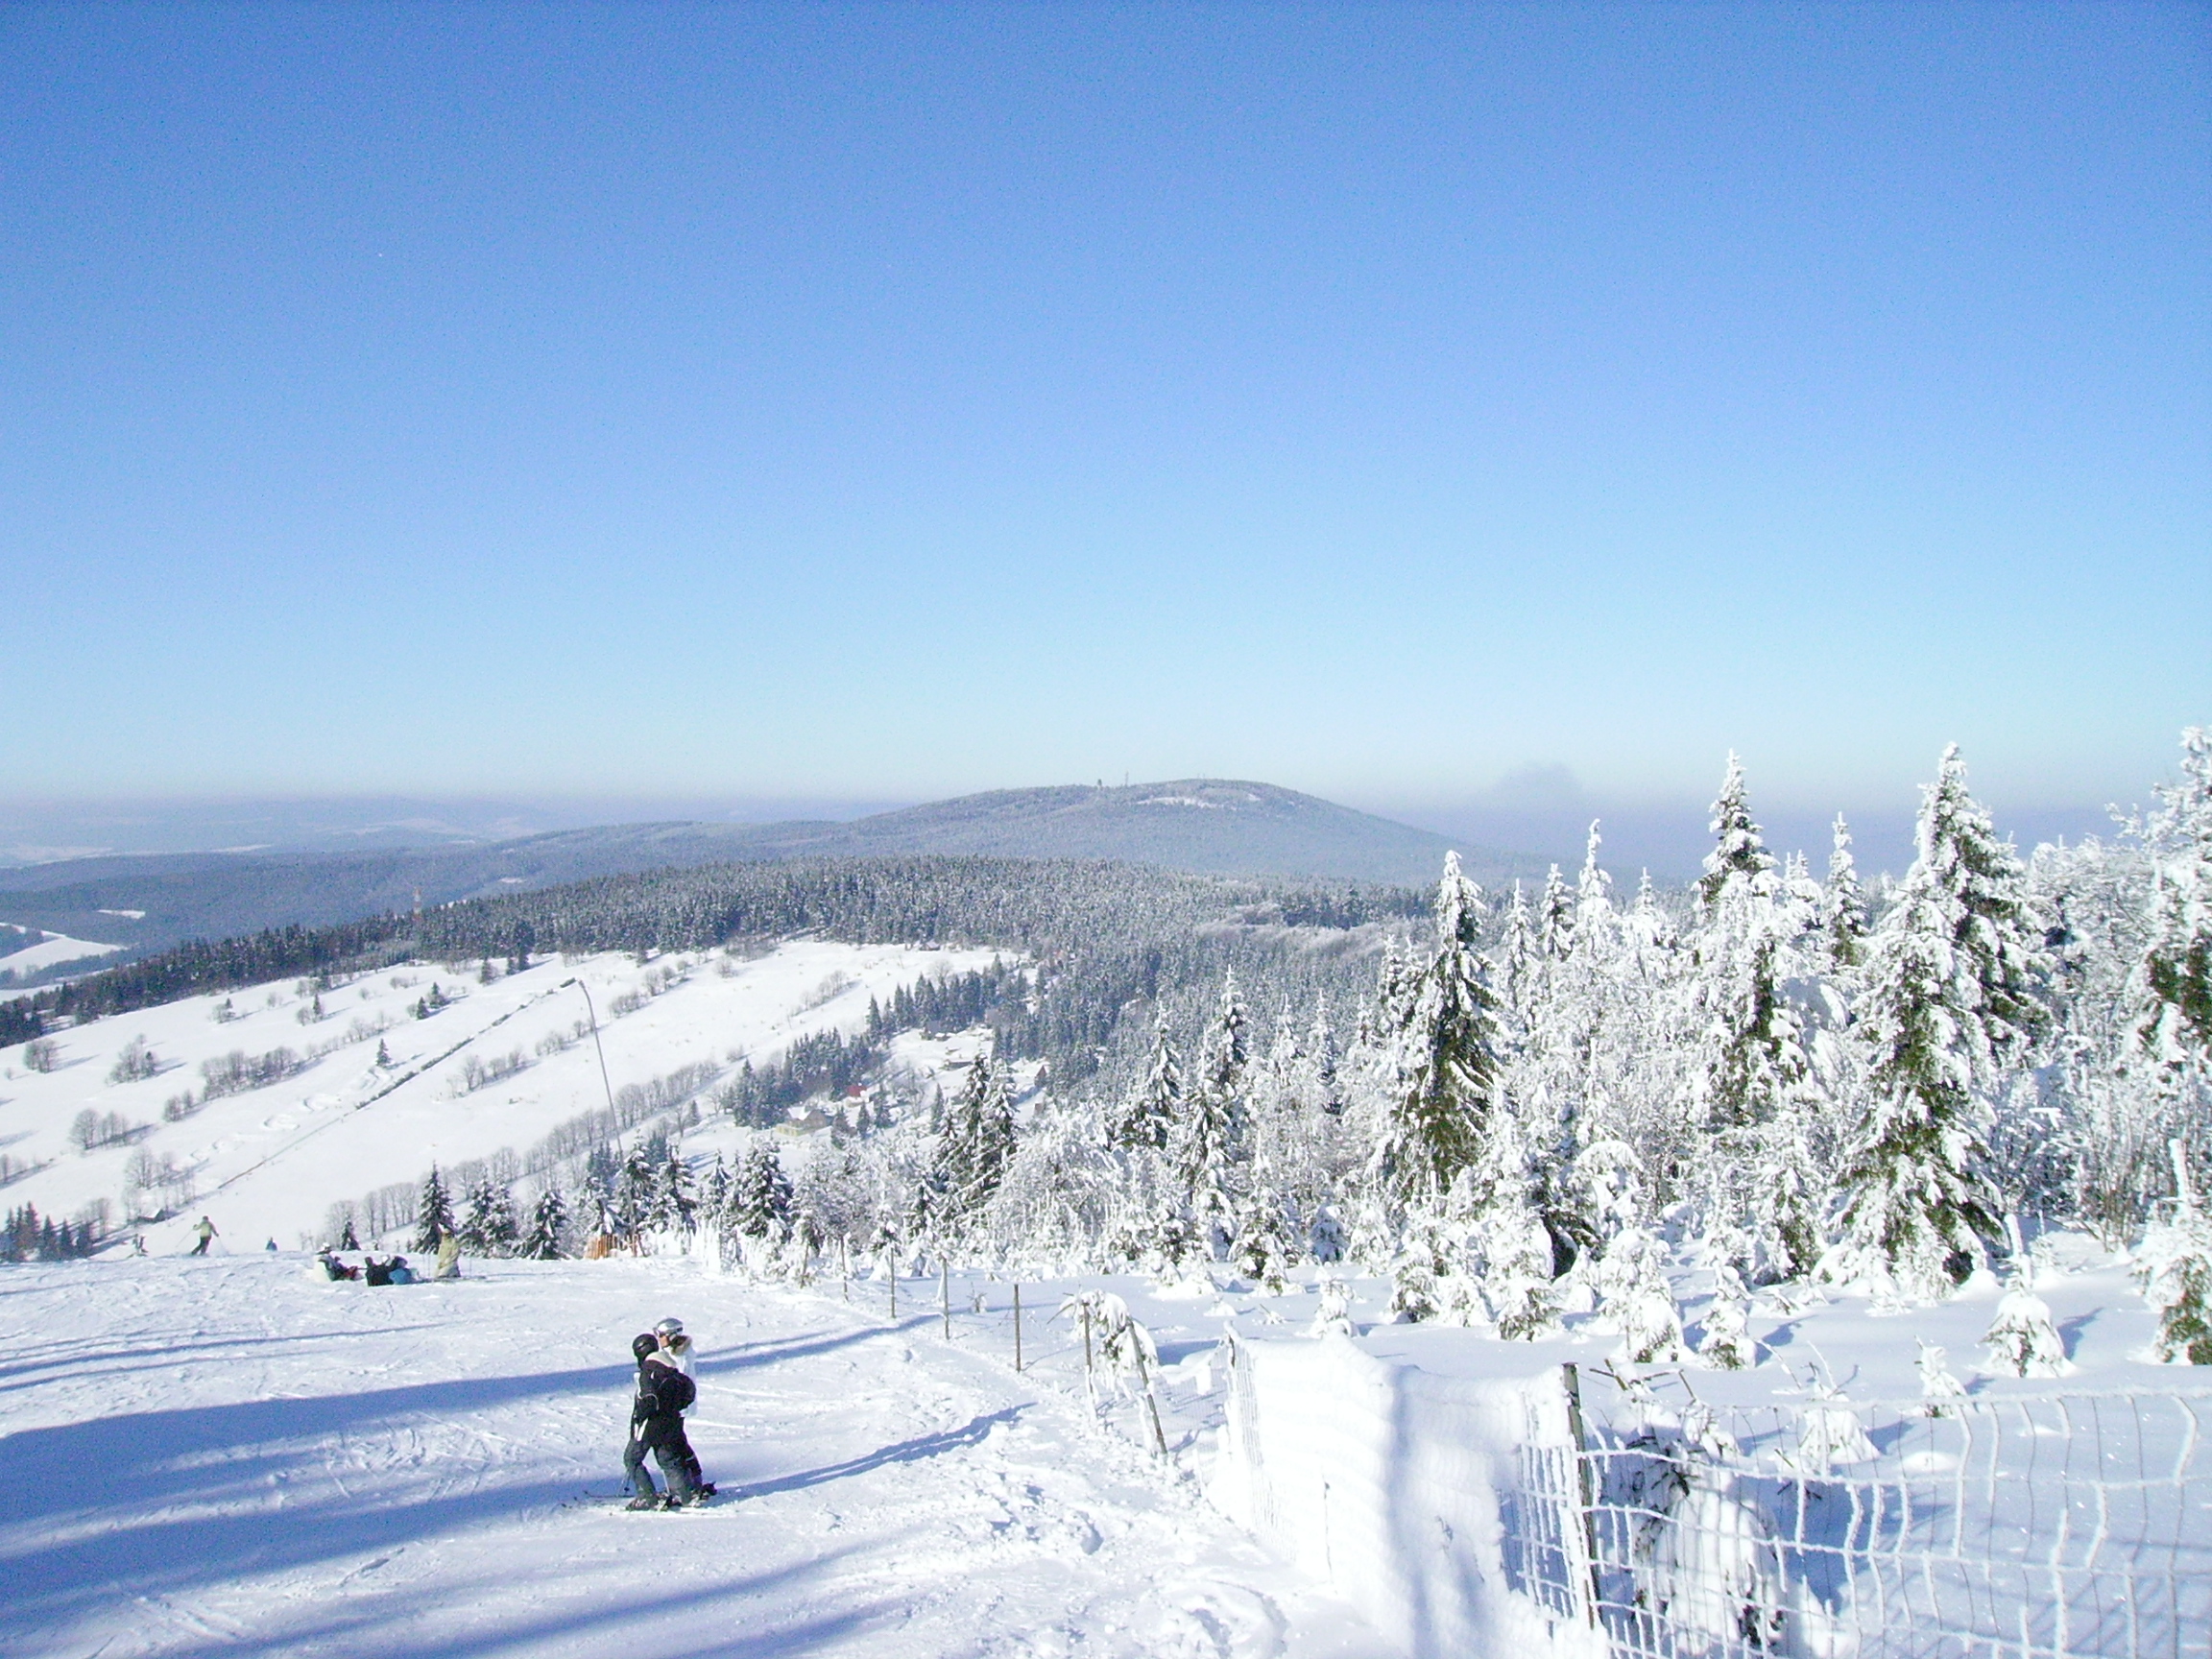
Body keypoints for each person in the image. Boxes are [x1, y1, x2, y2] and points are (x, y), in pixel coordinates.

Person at [622, 1332, 702, 1510]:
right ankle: (683, 1495)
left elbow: (649, 1398)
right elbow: (688, 1391)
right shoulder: (670, 1368)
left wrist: (640, 1415)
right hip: (672, 1422)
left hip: (651, 1424)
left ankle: (647, 1497)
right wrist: (673, 1408)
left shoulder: (649, 1371)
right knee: (668, 1459)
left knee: (632, 1458)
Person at [654, 1317, 710, 1494]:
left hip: (676, 1407)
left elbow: (679, 1384)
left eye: (661, 1334)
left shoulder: (680, 1357)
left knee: (674, 1444)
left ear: (672, 1335)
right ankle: (693, 1481)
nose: (658, 1338)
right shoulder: (676, 1354)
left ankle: (685, 1485)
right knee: (679, 1442)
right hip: (676, 1406)